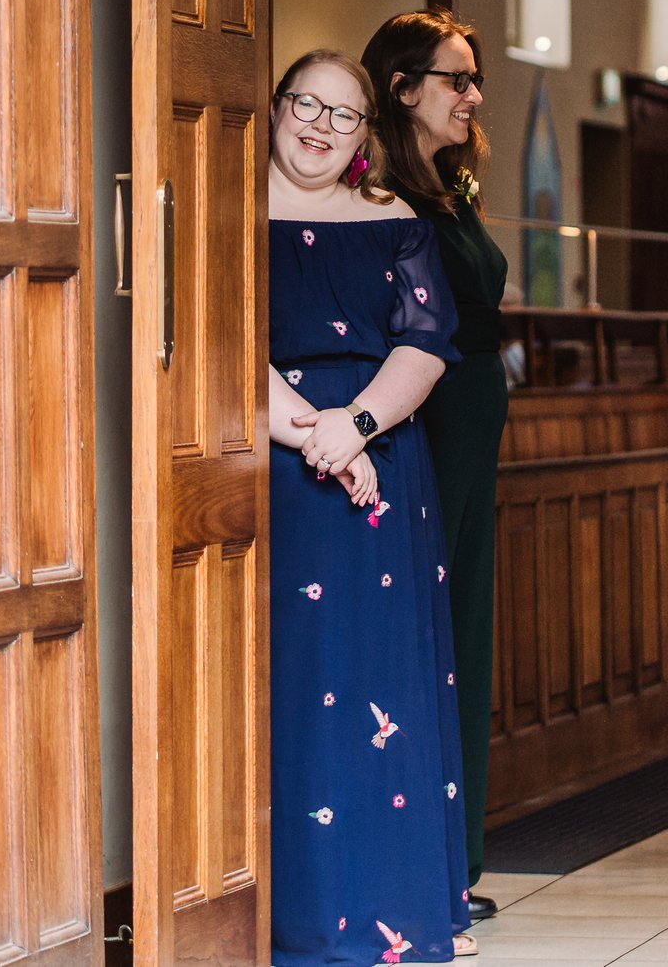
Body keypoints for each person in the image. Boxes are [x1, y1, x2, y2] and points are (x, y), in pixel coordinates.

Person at [266, 49, 477, 965]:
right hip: (277, 468)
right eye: (305, 105)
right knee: (299, 683)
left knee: (383, 678)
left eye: (342, 114)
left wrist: (353, 429)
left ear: (363, 135)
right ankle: (303, 917)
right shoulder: (230, 211)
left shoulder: (393, 221)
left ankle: (395, 907)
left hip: (384, 462)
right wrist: (314, 438)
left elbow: (425, 346)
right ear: (276, 109)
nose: (320, 125)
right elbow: (213, 340)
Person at [361, 10, 508, 917]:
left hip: (472, 419)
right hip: (428, 420)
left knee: (464, 624)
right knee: (424, 624)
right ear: (403, 88)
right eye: (458, 79)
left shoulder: (448, 188)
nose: (474, 95)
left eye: (474, 77)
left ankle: (458, 857)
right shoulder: (380, 196)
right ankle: (420, 860)